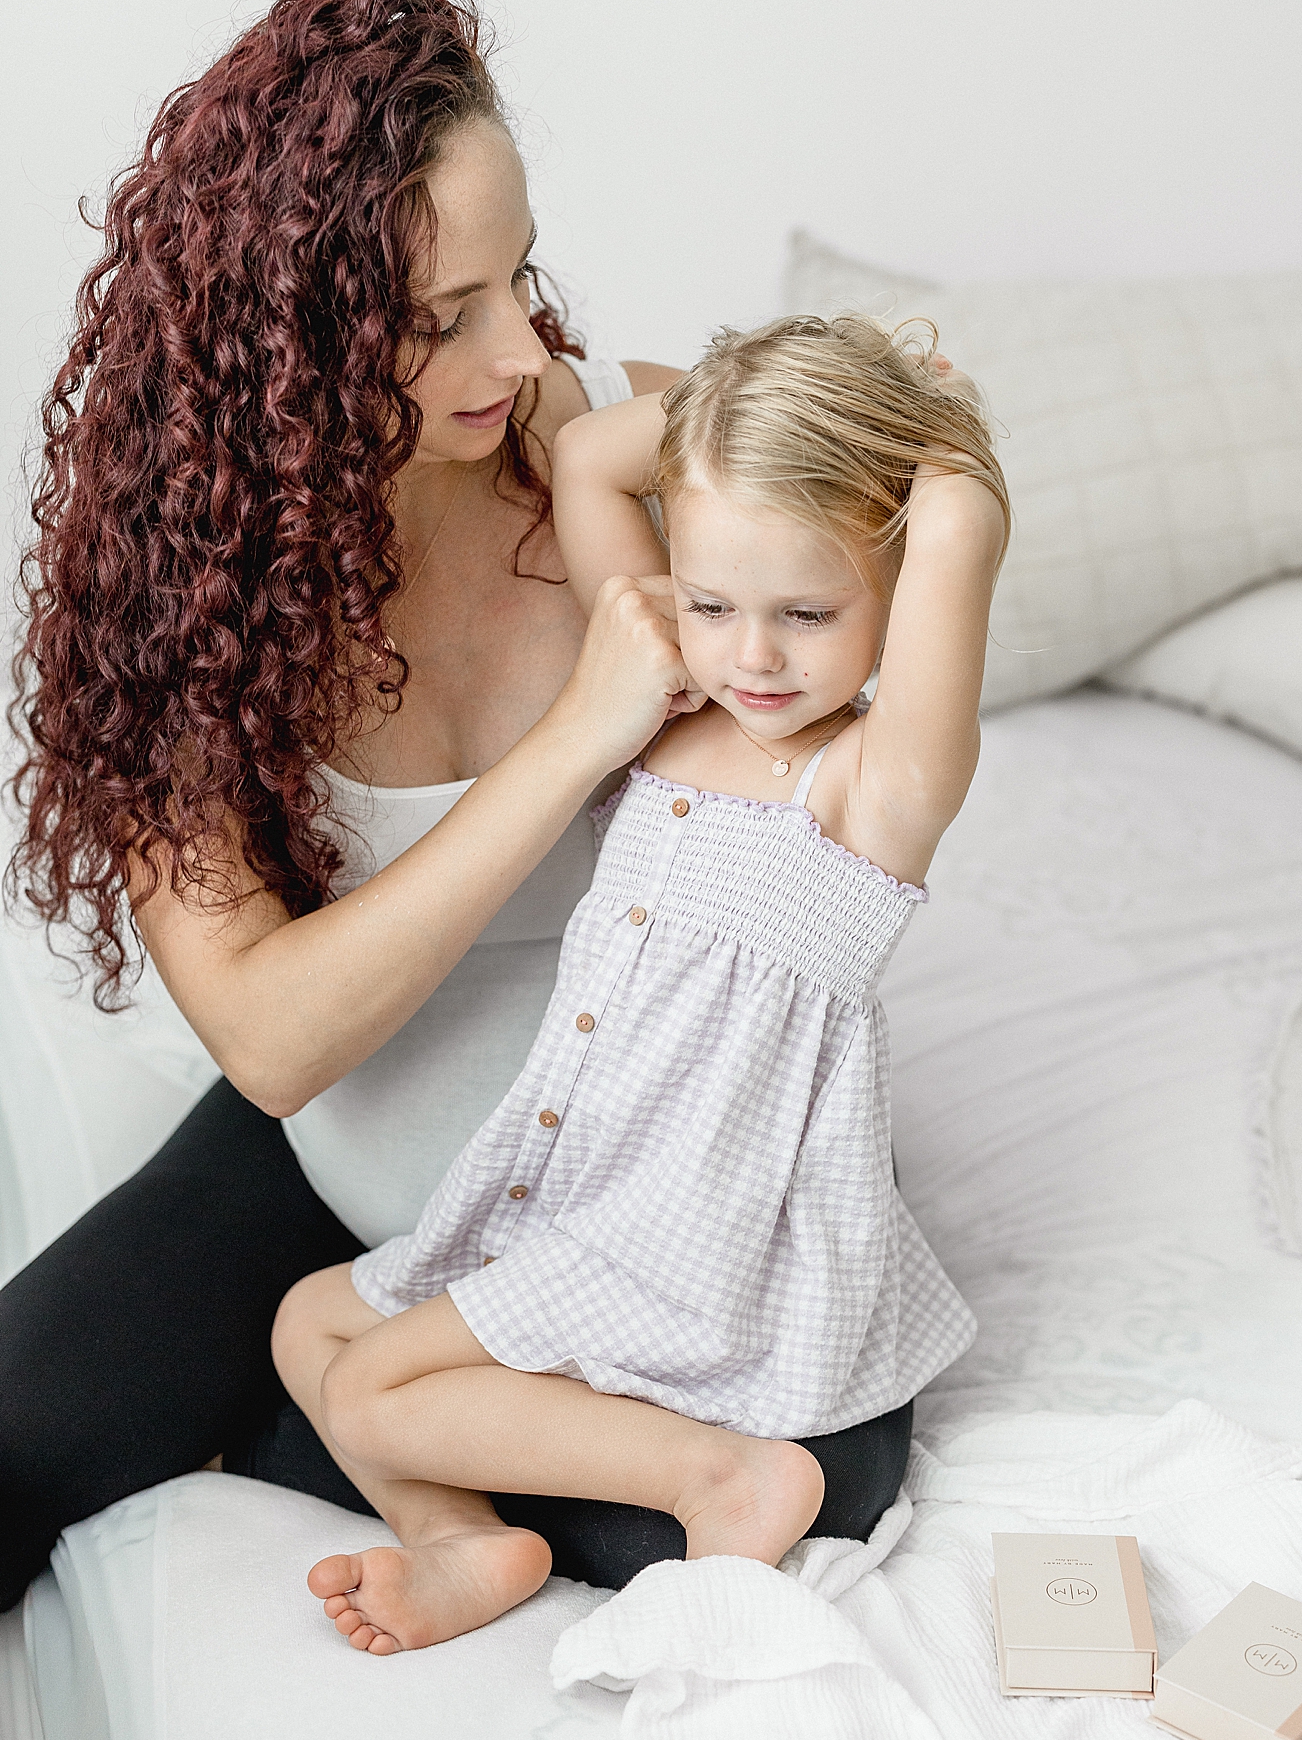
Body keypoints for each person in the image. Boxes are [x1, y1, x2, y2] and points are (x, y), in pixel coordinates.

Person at [0, 0, 908, 1612]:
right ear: (287, 345)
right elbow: (271, 1043)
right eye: (439, 318)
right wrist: (578, 732)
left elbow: (883, 577)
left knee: (822, 1491)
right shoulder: (171, 591)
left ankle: (341, 1416)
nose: (517, 347)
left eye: (519, 277)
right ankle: (352, 1407)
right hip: (343, 1154)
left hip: (641, 1177)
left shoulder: (606, 455)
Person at [270, 310, 1010, 1654]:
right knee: (305, 1323)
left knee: (371, 1395)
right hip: (585, 1185)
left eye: (808, 613)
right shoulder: (672, 717)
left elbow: (961, 518)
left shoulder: (870, 792)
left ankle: (719, 1476)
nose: (756, 655)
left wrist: (898, 416)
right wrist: (750, 411)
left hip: (696, 1230)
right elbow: (598, 459)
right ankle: (466, 1541)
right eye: (716, 603)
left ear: (893, 590)